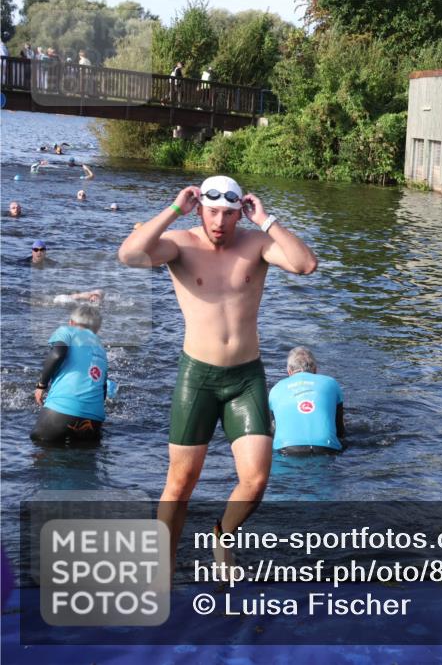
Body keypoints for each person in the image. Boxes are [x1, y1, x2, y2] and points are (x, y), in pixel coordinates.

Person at [117, 175, 318, 576]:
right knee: (180, 485)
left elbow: (305, 264)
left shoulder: (256, 243)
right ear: (201, 208)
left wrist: (267, 219)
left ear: (238, 212)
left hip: (246, 378)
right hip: (198, 378)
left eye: (229, 213)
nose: (220, 222)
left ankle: (222, 533)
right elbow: (130, 255)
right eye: (213, 212)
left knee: (256, 480)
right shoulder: (180, 243)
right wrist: (175, 208)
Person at [31, 305, 108, 445]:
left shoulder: (67, 331)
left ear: (71, 322)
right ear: (97, 329)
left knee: (41, 450)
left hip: (61, 412)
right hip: (94, 420)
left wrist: (41, 385)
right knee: (80, 462)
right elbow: (103, 388)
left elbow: (57, 354)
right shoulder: (101, 348)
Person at [269, 347, 345, 455]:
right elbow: (340, 430)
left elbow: (272, 431)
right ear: (315, 369)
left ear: (289, 371)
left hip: (286, 449)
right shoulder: (331, 383)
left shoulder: (276, 389)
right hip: (327, 447)